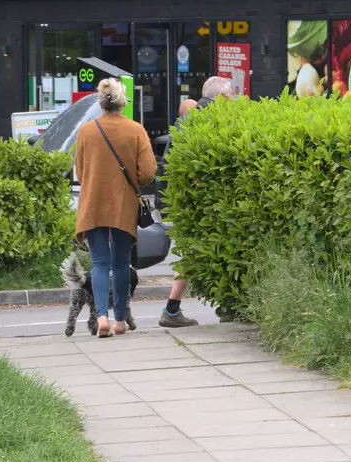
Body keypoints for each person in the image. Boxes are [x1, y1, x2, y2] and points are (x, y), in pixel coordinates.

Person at [73, 78, 157, 337]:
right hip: (123, 203)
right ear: (123, 103)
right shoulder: (136, 130)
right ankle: (120, 320)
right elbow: (148, 174)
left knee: (99, 263)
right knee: (120, 264)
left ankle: (102, 318)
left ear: (101, 103)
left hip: (93, 203)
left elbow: (80, 171)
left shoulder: (86, 131)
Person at [160, 75, 234, 328]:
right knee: (220, 250)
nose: (233, 100)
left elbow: (168, 161)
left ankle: (172, 309)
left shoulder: (185, 121)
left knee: (191, 253)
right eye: (230, 95)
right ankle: (229, 307)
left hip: (183, 200)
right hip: (208, 201)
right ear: (222, 97)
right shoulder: (213, 120)